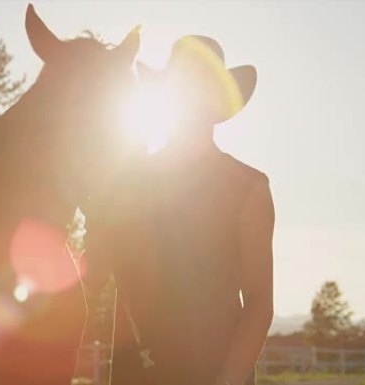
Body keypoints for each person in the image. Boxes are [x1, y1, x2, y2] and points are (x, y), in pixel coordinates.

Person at [84, 35, 275, 385]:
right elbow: (93, 278)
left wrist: (228, 381)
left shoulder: (249, 188)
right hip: (134, 375)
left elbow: (260, 302)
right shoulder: (128, 183)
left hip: (213, 373)